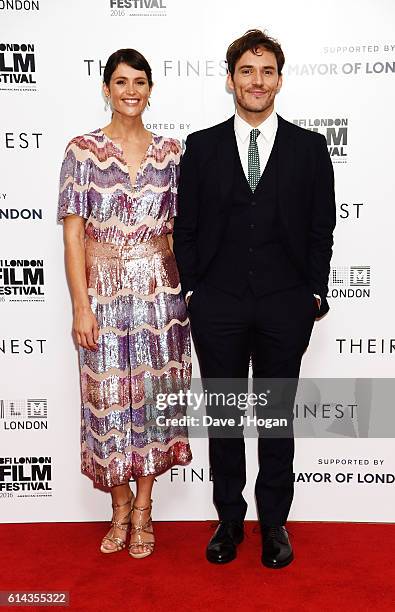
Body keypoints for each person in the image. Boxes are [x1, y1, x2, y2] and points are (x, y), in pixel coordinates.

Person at [173, 29, 335, 568]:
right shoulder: (201, 146)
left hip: (285, 306)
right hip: (216, 304)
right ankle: (228, 521)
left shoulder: (310, 148)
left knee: (274, 421)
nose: (256, 81)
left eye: (266, 72)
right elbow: (186, 227)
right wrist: (194, 290)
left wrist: (313, 294)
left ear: (280, 80)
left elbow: (321, 230)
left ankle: (274, 523)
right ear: (230, 79)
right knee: (223, 418)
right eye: (247, 70)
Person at [58, 48, 192, 559]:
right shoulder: (82, 151)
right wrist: (80, 306)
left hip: (162, 295)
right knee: (109, 403)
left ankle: (144, 509)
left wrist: (187, 298)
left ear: (151, 89)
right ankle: (117, 507)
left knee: (155, 403)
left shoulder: (173, 153)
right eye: (120, 81)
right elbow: (73, 238)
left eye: (140, 81)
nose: (131, 90)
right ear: (106, 89)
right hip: (104, 294)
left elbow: (182, 232)